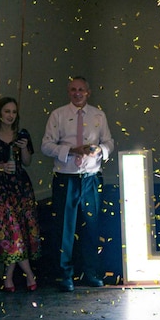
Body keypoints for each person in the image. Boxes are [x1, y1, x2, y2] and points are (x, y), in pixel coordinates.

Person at [41, 77, 114, 292]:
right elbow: (46, 145)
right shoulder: (58, 115)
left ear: (88, 92)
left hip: (91, 177)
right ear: (68, 91)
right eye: (73, 89)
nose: (77, 93)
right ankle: (65, 275)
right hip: (66, 176)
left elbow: (109, 142)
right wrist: (72, 151)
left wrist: (99, 150)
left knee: (91, 227)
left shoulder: (98, 115)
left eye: (81, 89)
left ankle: (90, 272)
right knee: (65, 227)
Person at [0, 97, 40, 293]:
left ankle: (9, 277)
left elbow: (28, 161)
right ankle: (29, 274)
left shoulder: (22, 134)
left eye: (13, 112)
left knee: (20, 233)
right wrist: (0, 167)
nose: (10, 115)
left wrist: (23, 149)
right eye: (7, 111)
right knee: (11, 232)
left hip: (21, 188)